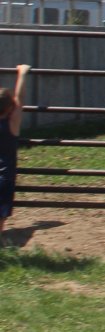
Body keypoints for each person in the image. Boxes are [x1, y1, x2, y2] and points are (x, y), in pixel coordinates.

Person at [0, 64, 31, 244]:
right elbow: (20, 99)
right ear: (11, 108)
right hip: (4, 175)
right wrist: (22, 73)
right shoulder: (12, 124)